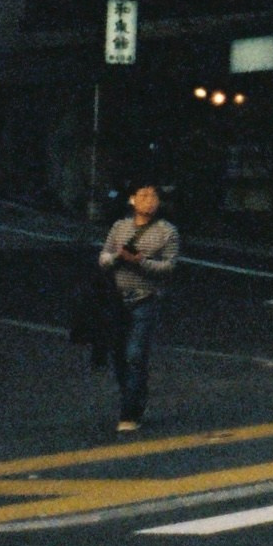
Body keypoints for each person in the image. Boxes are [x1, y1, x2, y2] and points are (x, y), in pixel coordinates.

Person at [97, 180, 179, 432]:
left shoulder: (167, 232)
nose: (149, 200)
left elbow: (169, 267)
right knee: (120, 355)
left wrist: (141, 261)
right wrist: (116, 258)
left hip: (146, 299)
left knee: (135, 355)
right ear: (132, 200)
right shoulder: (120, 227)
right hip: (117, 299)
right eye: (143, 195)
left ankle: (130, 411)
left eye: (153, 196)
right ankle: (132, 395)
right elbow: (103, 257)